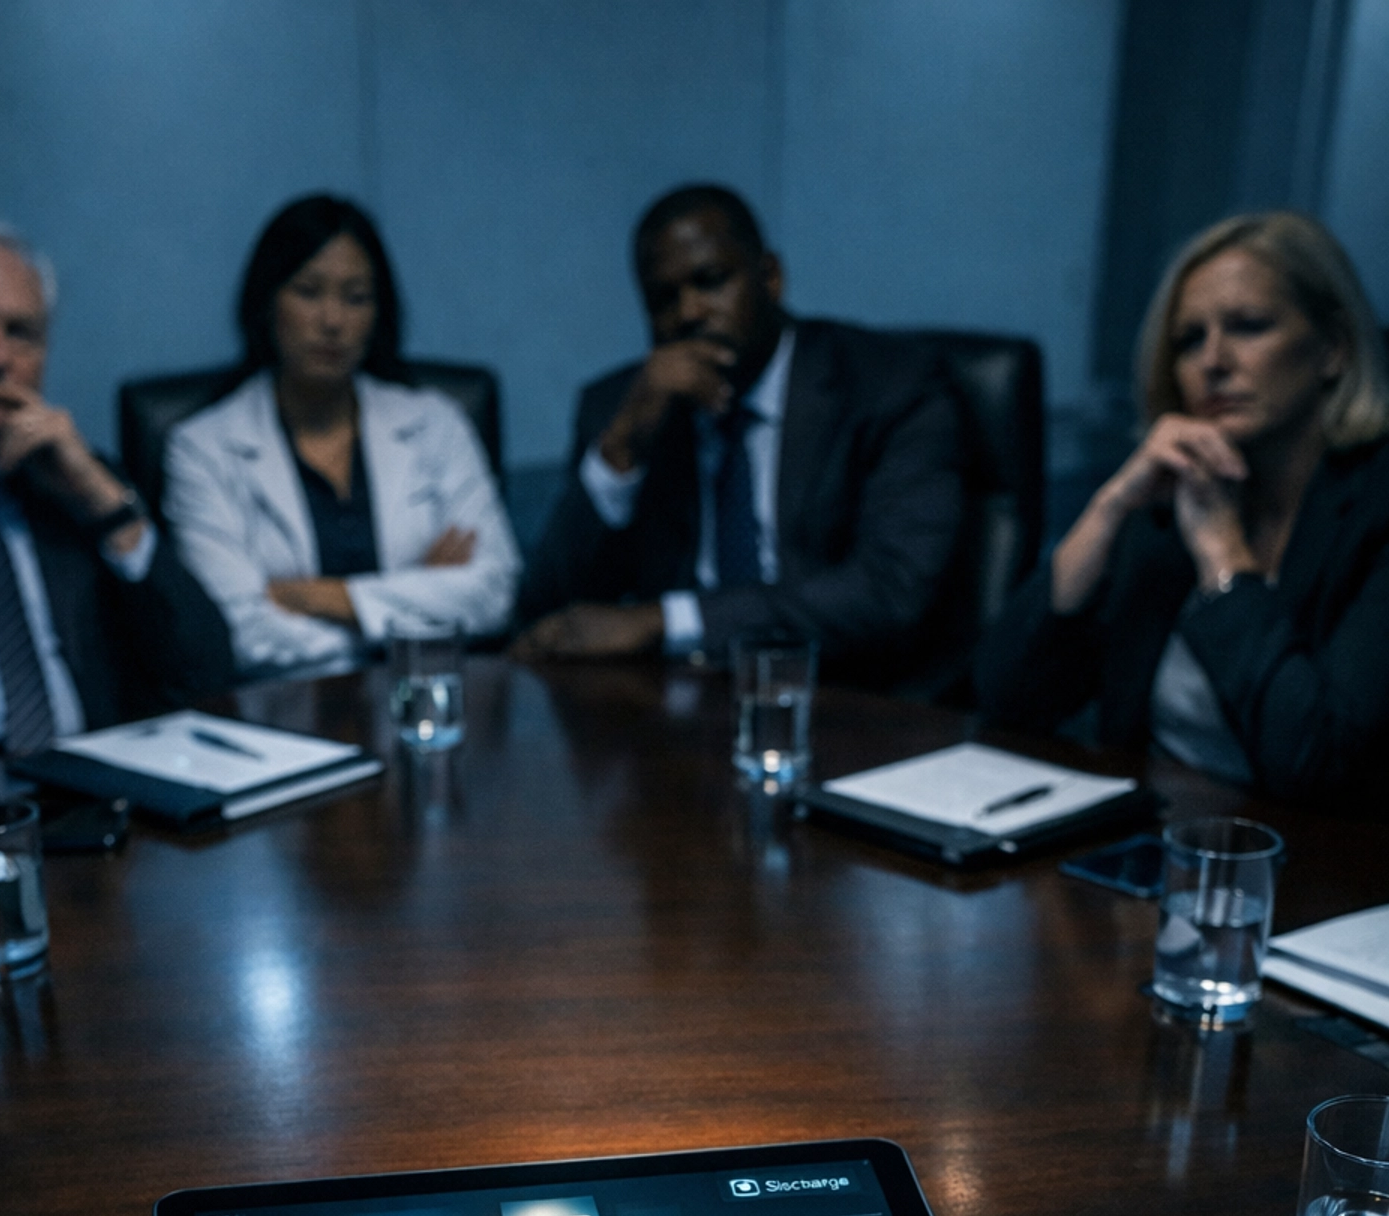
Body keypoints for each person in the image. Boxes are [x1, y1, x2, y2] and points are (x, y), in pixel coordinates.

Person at [975, 211, 1389, 808]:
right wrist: (1108, 508)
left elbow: (1319, 763)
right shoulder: (1172, 499)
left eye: (1248, 326)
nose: (1213, 361)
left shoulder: (1374, 507)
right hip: (1146, 832)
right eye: (1189, 340)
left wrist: (1223, 556)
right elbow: (1006, 702)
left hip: (1307, 852)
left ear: (1333, 349)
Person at [0, 220, 234, 810]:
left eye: (22, 333)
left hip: (83, 786)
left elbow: (206, 671)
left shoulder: (70, 477)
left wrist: (107, 507)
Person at [516, 183, 964, 676]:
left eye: (710, 282)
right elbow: (548, 615)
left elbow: (892, 589)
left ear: (769, 277)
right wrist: (620, 450)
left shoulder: (888, 386)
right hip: (674, 699)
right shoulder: (624, 406)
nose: (689, 313)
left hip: (841, 690)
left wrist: (667, 621)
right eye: (663, 299)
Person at [163, 195, 520, 676]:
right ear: (266, 302)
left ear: (378, 313)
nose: (333, 321)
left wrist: (324, 597)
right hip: (286, 708)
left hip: (429, 698)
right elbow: (238, 631)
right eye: (308, 292)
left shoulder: (435, 422)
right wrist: (417, 596)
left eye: (356, 298)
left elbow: (495, 591)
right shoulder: (202, 448)